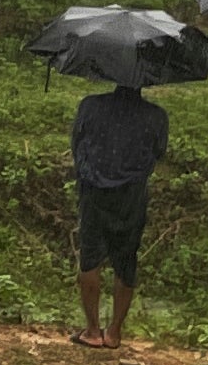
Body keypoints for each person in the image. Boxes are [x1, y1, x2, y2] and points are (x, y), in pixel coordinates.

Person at [69, 79, 167, 349]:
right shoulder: (156, 116)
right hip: (132, 195)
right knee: (126, 259)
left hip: (93, 190)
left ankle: (92, 330)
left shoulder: (90, 106)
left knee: (90, 259)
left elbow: (76, 144)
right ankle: (114, 332)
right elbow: (159, 153)